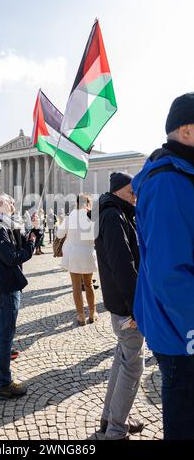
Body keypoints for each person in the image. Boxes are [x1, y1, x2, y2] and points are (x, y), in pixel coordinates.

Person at [132, 93, 194, 440]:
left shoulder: (180, 174)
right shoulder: (170, 181)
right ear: (186, 130)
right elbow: (171, 271)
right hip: (181, 332)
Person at [95, 172, 144, 440]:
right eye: (131, 193)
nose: (134, 198)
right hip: (126, 307)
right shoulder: (114, 215)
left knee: (121, 360)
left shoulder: (116, 213)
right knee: (133, 366)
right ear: (118, 192)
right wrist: (136, 307)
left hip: (121, 303)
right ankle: (115, 430)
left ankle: (111, 420)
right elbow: (122, 266)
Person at [0, 193, 36, 398]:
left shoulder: (2, 224)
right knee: (5, 334)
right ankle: (4, 384)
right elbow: (13, 257)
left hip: (0, 285)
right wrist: (31, 244)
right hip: (6, 286)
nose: (13, 203)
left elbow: (21, 244)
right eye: (9, 201)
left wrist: (33, 231)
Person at [57, 194, 97, 326]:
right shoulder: (92, 217)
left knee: (76, 287)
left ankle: (81, 316)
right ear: (88, 203)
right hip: (88, 252)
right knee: (89, 284)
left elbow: (59, 234)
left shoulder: (70, 217)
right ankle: (92, 313)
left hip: (74, 253)